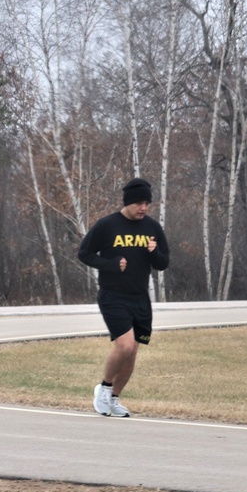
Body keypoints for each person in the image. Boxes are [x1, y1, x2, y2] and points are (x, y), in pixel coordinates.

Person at [77, 177, 169, 417]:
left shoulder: (152, 228)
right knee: (125, 345)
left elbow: (163, 263)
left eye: (147, 203)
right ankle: (104, 388)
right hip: (113, 295)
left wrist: (154, 252)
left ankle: (114, 398)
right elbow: (84, 253)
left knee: (133, 353)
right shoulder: (107, 225)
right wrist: (109, 264)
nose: (144, 208)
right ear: (128, 202)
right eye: (139, 203)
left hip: (140, 298)